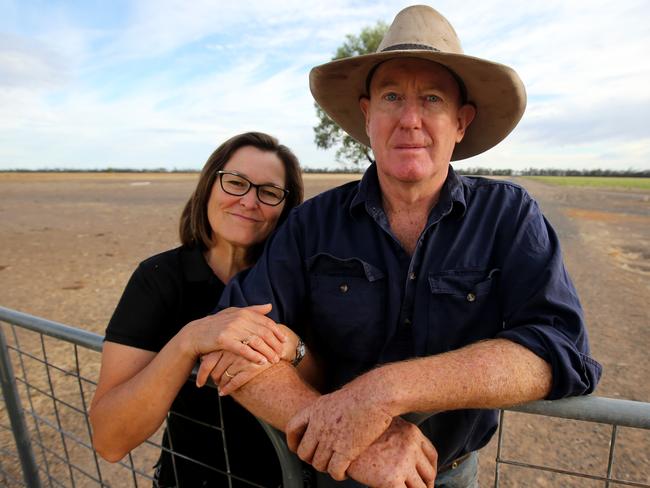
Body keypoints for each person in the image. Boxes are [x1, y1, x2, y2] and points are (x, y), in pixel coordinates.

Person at [202, 6, 603, 488]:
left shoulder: (508, 216)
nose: (410, 119)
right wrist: (345, 431)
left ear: (461, 121)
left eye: (432, 99)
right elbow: (234, 341)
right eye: (392, 96)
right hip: (331, 471)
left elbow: (558, 347)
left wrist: (383, 391)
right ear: (368, 116)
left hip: (448, 475)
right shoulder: (313, 224)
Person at [89, 132, 306, 487]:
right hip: (191, 478)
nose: (249, 201)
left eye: (268, 192)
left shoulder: (301, 277)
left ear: (287, 207)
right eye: (236, 183)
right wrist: (187, 341)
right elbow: (110, 440)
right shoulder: (159, 279)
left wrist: (293, 346)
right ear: (209, 186)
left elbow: (328, 379)